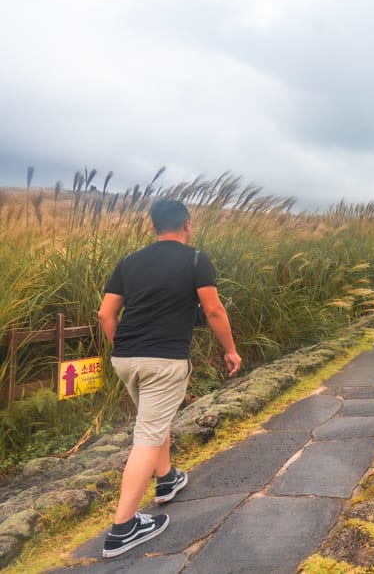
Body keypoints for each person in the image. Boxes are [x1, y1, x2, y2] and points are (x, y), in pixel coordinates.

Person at [96, 199, 242, 559]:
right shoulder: (195, 260)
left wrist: (125, 348)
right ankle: (123, 528)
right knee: (146, 435)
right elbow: (212, 309)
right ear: (188, 225)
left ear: (152, 228)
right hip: (164, 359)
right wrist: (230, 350)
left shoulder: (129, 261)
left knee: (153, 419)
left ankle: (167, 479)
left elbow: (105, 314)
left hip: (125, 358)